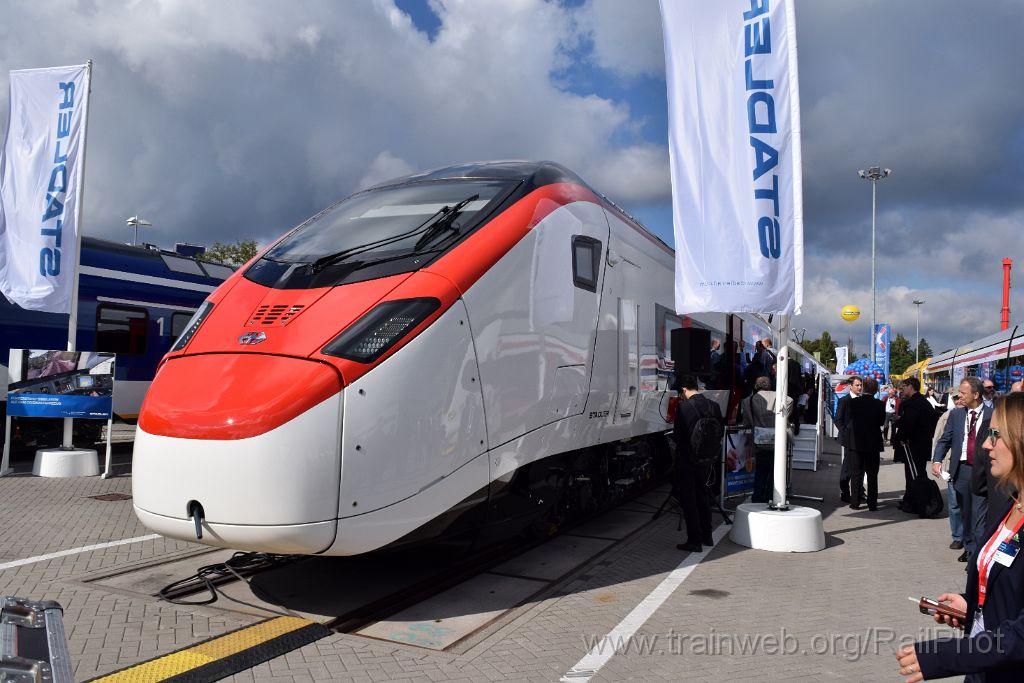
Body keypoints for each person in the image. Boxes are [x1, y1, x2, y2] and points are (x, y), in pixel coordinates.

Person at [896, 393, 1024, 683]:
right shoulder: (1011, 504)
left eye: (996, 435)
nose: (986, 445)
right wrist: (973, 606)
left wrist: (947, 657)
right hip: (984, 669)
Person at [931, 377, 991, 564]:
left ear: (976, 394)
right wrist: (937, 460)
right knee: (965, 514)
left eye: (963, 393)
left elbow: (997, 439)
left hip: (983, 471)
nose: (959, 396)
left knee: (979, 516)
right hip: (962, 470)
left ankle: (976, 558)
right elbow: (945, 439)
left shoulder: (993, 414)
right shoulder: (956, 415)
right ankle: (969, 546)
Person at [671, 374, 724, 552]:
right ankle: (707, 536)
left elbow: (678, 437)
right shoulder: (714, 406)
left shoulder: (684, 407)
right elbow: (720, 432)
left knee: (689, 499)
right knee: (703, 494)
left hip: (687, 458)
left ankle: (694, 540)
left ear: (684, 389)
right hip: (706, 458)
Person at [741, 375, 792, 504]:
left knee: (760, 471)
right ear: (769, 385)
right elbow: (790, 400)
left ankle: (757, 497)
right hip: (778, 440)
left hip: (759, 441)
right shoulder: (780, 397)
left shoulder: (748, 400)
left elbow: (746, 423)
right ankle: (771, 496)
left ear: (756, 386)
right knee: (775, 471)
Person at [894, 377, 940, 513]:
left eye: (904, 387)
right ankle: (911, 498)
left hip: (913, 445)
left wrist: (900, 434)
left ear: (910, 387)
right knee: (918, 472)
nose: (902, 390)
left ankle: (918, 502)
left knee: (914, 474)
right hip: (923, 443)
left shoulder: (912, 404)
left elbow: (909, 424)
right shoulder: (925, 403)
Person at [846, 376, 885, 510]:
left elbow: (850, 418)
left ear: (863, 388)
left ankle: (855, 502)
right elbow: (881, 422)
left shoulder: (854, 403)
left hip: (856, 442)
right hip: (873, 443)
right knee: (872, 474)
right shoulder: (880, 404)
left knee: (856, 472)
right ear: (876, 390)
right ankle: (872, 504)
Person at [932, 393, 965, 552]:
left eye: (962, 397)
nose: (959, 400)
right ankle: (958, 536)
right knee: (954, 504)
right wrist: (936, 461)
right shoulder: (948, 416)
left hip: (971, 466)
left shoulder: (984, 414)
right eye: (956, 398)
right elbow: (939, 439)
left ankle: (970, 536)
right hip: (951, 464)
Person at [834, 376, 864, 503]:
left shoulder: (863, 400)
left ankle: (859, 492)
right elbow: (838, 420)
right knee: (847, 467)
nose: (860, 387)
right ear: (850, 386)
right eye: (857, 385)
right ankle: (845, 492)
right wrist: (846, 433)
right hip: (849, 440)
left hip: (861, 440)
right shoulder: (844, 401)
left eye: (861, 385)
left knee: (860, 467)